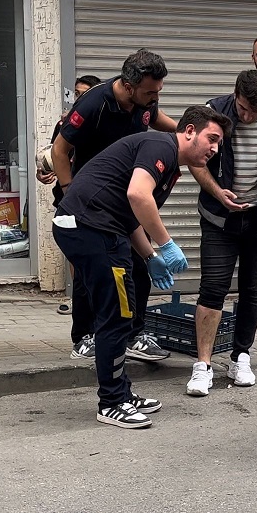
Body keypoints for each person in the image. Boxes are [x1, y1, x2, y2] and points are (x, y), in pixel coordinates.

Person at [53, 105, 232, 428]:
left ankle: (120, 391)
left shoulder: (169, 162)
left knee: (124, 313)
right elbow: (138, 195)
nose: (215, 149)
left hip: (102, 228)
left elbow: (130, 214)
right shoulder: (160, 146)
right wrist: (167, 244)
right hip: (89, 227)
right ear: (189, 131)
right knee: (117, 314)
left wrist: (149, 257)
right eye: (212, 139)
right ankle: (111, 402)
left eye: (219, 143)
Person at [51, 50, 177, 362]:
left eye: (158, 92)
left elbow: (160, 121)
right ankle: (84, 336)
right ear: (129, 86)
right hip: (89, 201)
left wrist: (190, 135)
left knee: (139, 265)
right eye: (150, 92)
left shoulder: (144, 100)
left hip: (123, 197)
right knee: (92, 272)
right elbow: (59, 150)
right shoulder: (94, 103)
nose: (155, 98)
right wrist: (69, 193)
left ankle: (134, 334)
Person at [185, 70, 257, 397]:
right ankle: (202, 365)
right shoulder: (214, 111)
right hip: (219, 219)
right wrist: (218, 192)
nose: (246, 116)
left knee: (251, 290)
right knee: (212, 288)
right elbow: (195, 161)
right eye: (242, 108)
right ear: (235, 95)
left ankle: (241, 357)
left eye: (254, 111)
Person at [35, 74, 100, 316]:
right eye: (76, 94)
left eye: (84, 94)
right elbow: (53, 157)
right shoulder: (65, 124)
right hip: (67, 197)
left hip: (95, 197)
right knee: (75, 252)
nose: (78, 99)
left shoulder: (102, 125)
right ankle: (79, 300)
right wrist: (42, 173)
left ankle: (98, 302)